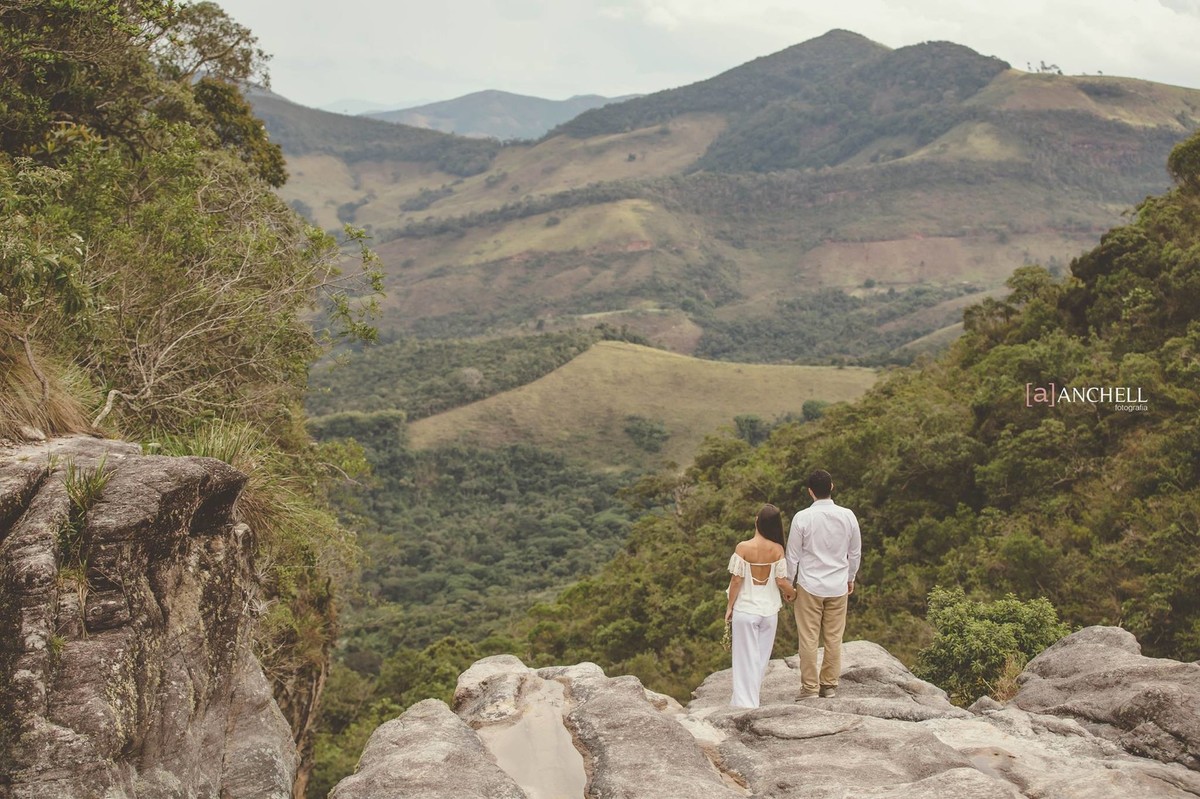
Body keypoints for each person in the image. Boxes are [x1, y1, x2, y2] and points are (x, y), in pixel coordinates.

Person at [785, 469, 861, 700]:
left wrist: (789, 584)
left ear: (810, 492)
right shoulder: (848, 515)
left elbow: (792, 556)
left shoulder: (802, 517)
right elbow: (855, 552)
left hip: (809, 585)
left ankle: (809, 688)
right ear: (832, 487)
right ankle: (828, 685)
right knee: (834, 637)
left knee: (808, 638)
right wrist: (850, 577)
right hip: (838, 585)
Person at [725, 503, 797, 708]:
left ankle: (744, 703)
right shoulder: (777, 549)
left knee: (743, 658)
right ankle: (750, 699)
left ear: (757, 521)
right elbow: (781, 581)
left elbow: (736, 580)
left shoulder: (743, 547)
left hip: (746, 609)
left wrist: (729, 607)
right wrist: (793, 593)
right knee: (760, 659)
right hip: (769, 611)